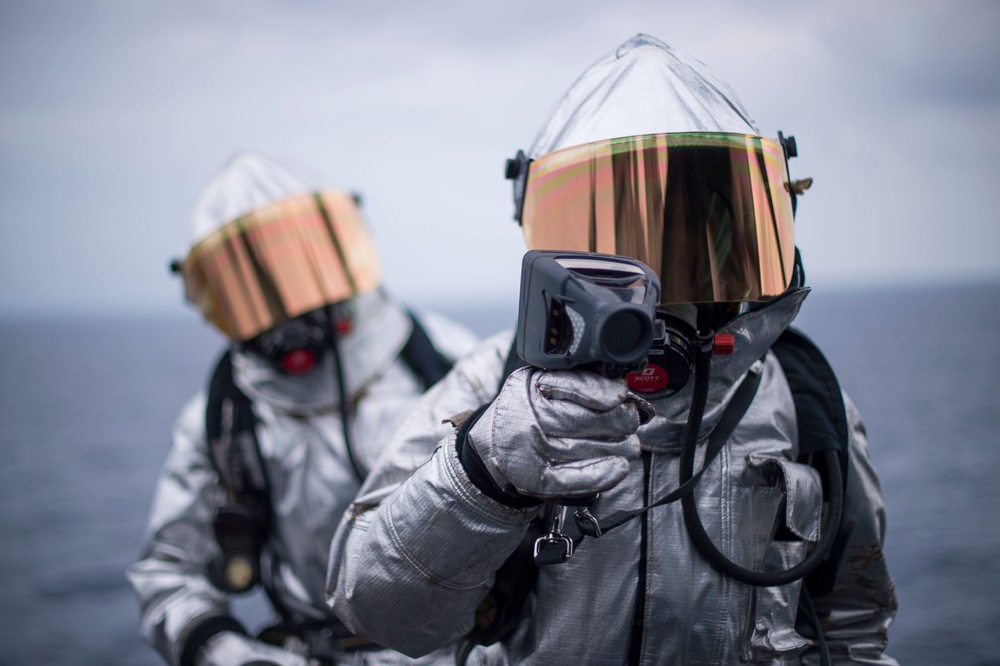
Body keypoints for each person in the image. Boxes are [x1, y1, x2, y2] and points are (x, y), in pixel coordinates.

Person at [325, 35, 898, 665]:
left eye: (688, 248)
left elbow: (851, 624)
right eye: (618, 252)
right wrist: (483, 472)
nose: (657, 287)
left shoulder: (805, 401)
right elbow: (373, 608)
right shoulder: (494, 388)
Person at [127, 151, 479, 666]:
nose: (282, 308)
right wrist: (224, 651)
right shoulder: (225, 416)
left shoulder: (446, 364)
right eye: (247, 288)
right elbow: (169, 572)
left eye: (291, 270)